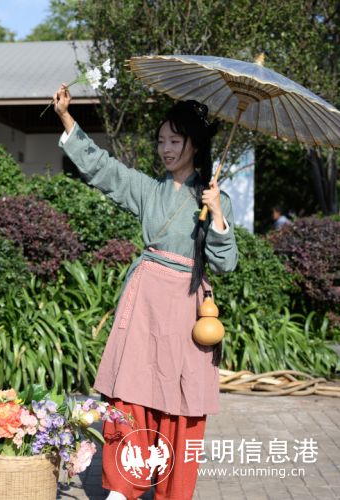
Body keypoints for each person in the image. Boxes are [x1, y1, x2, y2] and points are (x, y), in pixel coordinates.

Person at [53, 85, 238, 500]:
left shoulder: (215, 198)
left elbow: (226, 263)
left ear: (195, 145)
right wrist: (66, 117)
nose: (165, 149)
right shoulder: (149, 190)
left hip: (187, 306)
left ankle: (172, 490)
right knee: (131, 389)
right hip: (144, 300)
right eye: (161, 141)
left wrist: (217, 214)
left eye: (175, 141)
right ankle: (123, 485)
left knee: (181, 399)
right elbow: (104, 169)